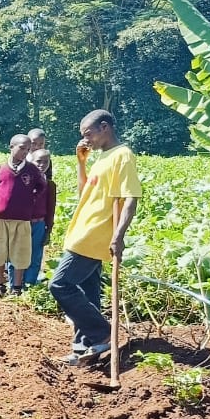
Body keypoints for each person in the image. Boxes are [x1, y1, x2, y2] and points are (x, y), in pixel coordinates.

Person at [48, 109, 141, 365]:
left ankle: (102, 333)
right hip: (82, 230)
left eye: (88, 134)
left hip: (93, 235)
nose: (86, 139)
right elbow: (84, 193)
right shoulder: (102, 157)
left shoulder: (122, 155)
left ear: (104, 127)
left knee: (59, 285)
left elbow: (131, 198)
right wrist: (81, 163)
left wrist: (118, 236)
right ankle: (84, 348)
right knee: (88, 295)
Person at [0, 134, 44, 296]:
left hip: (22, 220)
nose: (25, 152)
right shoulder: (0, 169)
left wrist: (31, 198)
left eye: (28, 149)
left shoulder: (31, 170)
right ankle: (0, 284)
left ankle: (16, 288)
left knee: (20, 253)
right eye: (22, 148)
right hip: (1, 219)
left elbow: (41, 186)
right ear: (11, 147)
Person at [23, 129, 56, 286]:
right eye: (34, 143)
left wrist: (49, 227)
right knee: (18, 251)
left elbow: (48, 188)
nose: (36, 146)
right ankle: (17, 282)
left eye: (40, 144)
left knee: (35, 252)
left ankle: (30, 282)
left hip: (39, 219)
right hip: (22, 218)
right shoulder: (22, 159)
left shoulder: (45, 160)